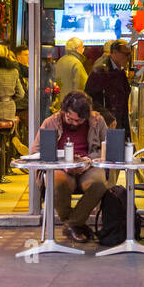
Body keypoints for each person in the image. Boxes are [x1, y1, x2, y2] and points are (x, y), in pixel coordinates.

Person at [30, 91, 108, 243]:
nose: (74, 123)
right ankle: (77, 225)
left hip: (88, 166)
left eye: (79, 121)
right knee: (58, 183)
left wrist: (87, 161)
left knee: (99, 184)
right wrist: (62, 164)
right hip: (61, 168)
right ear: (63, 111)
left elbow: (108, 148)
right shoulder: (51, 122)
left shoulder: (97, 121)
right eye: (70, 118)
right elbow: (36, 151)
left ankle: (72, 224)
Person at [86, 38, 133, 136]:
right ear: (115, 53)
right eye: (126, 54)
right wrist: (107, 117)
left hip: (118, 122)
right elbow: (90, 98)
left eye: (130, 54)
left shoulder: (119, 70)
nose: (129, 58)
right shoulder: (101, 70)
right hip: (107, 124)